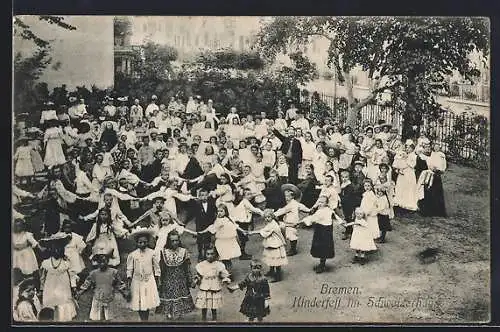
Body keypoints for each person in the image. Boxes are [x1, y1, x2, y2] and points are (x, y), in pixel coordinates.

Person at [75, 245, 129, 321]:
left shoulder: (113, 272)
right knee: (98, 319)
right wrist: (79, 292)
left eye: (104, 261)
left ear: (108, 260)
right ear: (97, 262)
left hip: (109, 298)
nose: (102, 263)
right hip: (98, 298)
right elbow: (86, 284)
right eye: (100, 261)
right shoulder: (93, 273)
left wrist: (124, 293)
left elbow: (119, 284)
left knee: (108, 319)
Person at [39, 233, 78, 322]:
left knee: (63, 299)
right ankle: (51, 316)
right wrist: (41, 288)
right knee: (51, 299)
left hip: (63, 283)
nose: (57, 250)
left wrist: (73, 286)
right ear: (50, 249)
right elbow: (43, 276)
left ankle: (63, 317)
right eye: (54, 248)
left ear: (63, 249)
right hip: (50, 283)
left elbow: (72, 274)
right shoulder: (46, 262)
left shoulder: (66, 262)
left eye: (59, 248)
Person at [198, 204, 246, 275]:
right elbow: (212, 228)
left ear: (225, 211)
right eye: (218, 211)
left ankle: (228, 273)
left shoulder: (228, 219)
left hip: (228, 242)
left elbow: (235, 226)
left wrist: (243, 231)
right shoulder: (218, 221)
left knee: (227, 259)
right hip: (221, 242)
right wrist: (202, 232)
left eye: (221, 211)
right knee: (224, 259)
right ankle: (226, 273)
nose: (219, 213)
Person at [158, 231, 195, 320]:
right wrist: (159, 279)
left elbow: (187, 266)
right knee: (169, 294)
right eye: (172, 241)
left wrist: (190, 279)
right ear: (169, 241)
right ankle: (169, 312)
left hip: (180, 277)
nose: (175, 243)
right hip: (168, 277)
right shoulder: (164, 252)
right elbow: (161, 267)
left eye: (176, 240)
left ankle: (179, 312)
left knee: (179, 294)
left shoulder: (183, 251)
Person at [126, 228, 161, 321]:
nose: (142, 244)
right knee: (139, 301)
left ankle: (146, 319)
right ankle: (142, 319)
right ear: (136, 242)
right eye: (140, 242)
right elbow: (129, 269)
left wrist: (157, 280)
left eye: (145, 242)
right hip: (137, 281)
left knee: (147, 300)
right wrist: (129, 281)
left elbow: (157, 268)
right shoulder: (132, 255)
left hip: (149, 280)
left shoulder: (152, 253)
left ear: (148, 242)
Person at [193, 246, 232, 322]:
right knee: (204, 303)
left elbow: (222, 274)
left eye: (212, 254)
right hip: (205, 285)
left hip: (214, 285)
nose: (210, 256)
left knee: (214, 303)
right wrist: (196, 279)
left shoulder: (218, 265)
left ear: (215, 255)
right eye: (208, 254)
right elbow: (199, 274)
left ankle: (214, 319)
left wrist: (225, 279)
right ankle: (203, 318)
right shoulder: (202, 265)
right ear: (205, 255)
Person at [248, 209, 288, 283]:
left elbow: (263, 232)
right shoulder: (271, 223)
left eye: (268, 217)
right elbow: (263, 230)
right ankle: (271, 271)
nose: (267, 219)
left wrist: (252, 232)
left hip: (275, 244)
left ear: (272, 217)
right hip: (272, 243)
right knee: (271, 258)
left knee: (276, 260)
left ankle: (278, 276)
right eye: (265, 217)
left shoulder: (272, 225)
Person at [299, 196, 336, 273]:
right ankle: (321, 263)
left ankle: (322, 265)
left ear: (326, 203)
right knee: (319, 246)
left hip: (325, 230)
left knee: (323, 246)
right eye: (319, 201)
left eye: (322, 202)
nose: (320, 203)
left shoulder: (325, 211)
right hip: (320, 229)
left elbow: (313, 218)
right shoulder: (321, 210)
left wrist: (302, 221)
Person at [273, 184, 311, 256]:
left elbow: (282, 211)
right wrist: (309, 210)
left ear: (292, 196)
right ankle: (292, 248)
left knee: (291, 234)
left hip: (291, 222)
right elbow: (302, 207)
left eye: (288, 196)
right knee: (291, 233)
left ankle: (293, 250)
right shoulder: (295, 203)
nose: (286, 198)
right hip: (292, 222)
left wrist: (274, 214)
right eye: (285, 196)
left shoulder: (290, 205)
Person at [230, 187, 265, 260]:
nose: (250, 196)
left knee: (243, 238)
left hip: (242, 222)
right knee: (243, 238)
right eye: (248, 194)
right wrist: (263, 213)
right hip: (240, 222)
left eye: (251, 194)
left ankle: (242, 253)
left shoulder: (246, 202)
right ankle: (242, 254)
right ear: (244, 196)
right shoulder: (245, 202)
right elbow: (254, 210)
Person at [415, 142, 447, 217]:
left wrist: (437, 170)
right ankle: (427, 210)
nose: (428, 149)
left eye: (429, 147)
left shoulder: (438, 155)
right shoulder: (424, 156)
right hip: (426, 176)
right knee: (426, 193)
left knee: (436, 193)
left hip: (435, 176)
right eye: (426, 147)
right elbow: (420, 168)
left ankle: (437, 211)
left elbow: (442, 166)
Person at [393, 140, 418, 211]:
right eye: (406, 148)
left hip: (409, 173)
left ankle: (408, 203)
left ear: (413, 148)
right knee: (401, 186)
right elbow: (400, 163)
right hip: (403, 173)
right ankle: (400, 202)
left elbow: (412, 165)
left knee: (408, 187)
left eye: (409, 148)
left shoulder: (414, 156)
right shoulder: (404, 155)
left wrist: (406, 159)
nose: (407, 149)